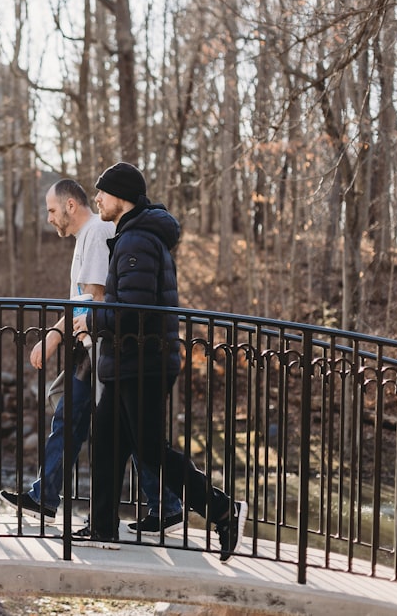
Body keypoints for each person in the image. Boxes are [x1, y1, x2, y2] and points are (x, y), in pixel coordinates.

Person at [72, 162, 247, 562]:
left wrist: (90, 318)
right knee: (108, 441)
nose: (96, 198)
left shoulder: (135, 242)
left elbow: (132, 311)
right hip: (129, 360)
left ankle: (222, 509)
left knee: (149, 450)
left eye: (101, 192)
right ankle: (101, 526)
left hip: (142, 361)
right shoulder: (135, 236)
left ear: (120, 197)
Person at [0, 179, 183, 533]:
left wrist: (54, 336)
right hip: (91, 349)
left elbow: (95, 299)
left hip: (100, 350)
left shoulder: (97, 234)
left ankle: (166, 505)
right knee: (74, 423)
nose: (49, 218)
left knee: (121, 430)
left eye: (52, 210)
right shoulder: (90, 236)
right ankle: (46, 499)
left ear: (70, 205)